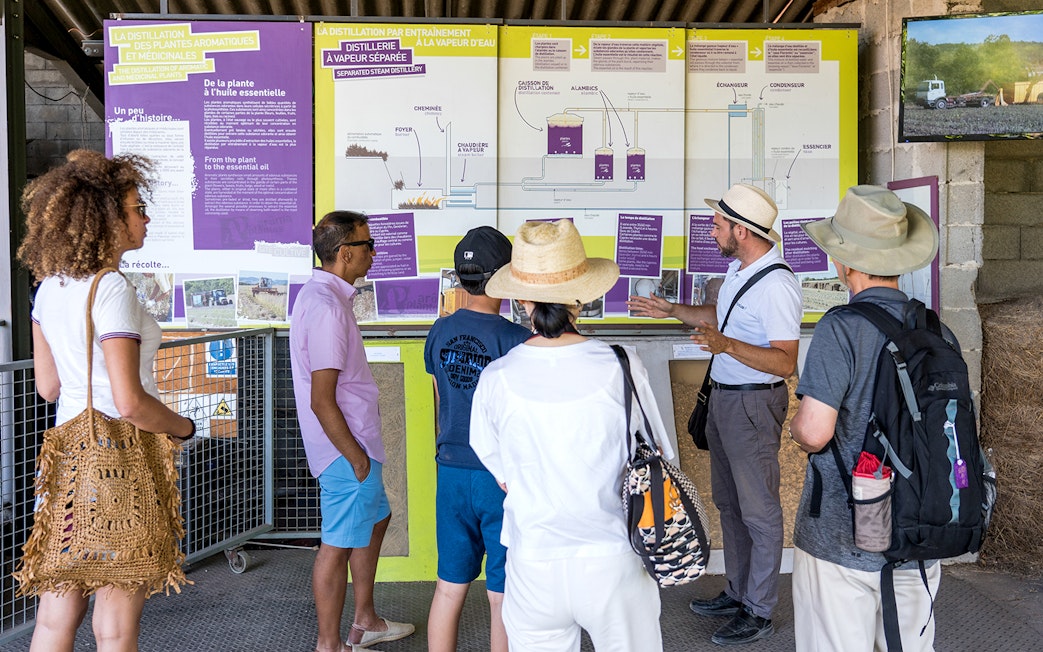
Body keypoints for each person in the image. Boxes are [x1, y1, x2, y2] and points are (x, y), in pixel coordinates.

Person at [15, 149, 195, 652]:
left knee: (54, 620)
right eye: (137, 208)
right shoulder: (110, 287)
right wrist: (182, 427)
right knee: (114, 627)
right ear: (108, 218)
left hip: (66, 466)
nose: (146, 217)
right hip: (118, 463)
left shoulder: (49, 287)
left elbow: (48, 388)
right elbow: (129, 401)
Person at [470, 219, 673, 652]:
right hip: (614, 558)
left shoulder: (497, 377)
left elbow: (500, 471)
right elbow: (659, 454)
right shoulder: (622, 364)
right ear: (581, 298)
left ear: (522, 299)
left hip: (533, 562)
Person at [627, 183, 801, 645]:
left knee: (759, 512)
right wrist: (672, 310)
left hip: (751, 404)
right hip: (726, 399)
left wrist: (726, 347)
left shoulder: (777, 283)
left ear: (742, 231)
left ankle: (759, 610)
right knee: (730, 503)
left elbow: (785, 362)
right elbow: (720, 316)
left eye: (718, 224)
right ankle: (739, 592)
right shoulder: (743, 270)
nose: (712, 230)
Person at [789, 185, 943, 651]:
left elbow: (815, 432)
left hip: (842, 532)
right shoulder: (934, 328)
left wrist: (795, 423)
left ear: (844, 262)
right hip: (920, 527)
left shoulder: (840, 328)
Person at [289, 210, 414, 652]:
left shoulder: (326, 296)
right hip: (347, 451)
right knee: (335, 546)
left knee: (377, 519)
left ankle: (365, 620)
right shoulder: (325, 308)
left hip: (355, 444)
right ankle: (330, 644)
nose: (374, 253)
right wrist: (356, 458)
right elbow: (321, 398)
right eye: (367, 245)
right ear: (345, 254)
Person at [424, 226, 530, 652]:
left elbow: (440, 400)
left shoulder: (439, 330)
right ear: (507, 274)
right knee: (500, 595)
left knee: (449, 587)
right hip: (498, 478)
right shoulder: (516, 340)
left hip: (450, 470)